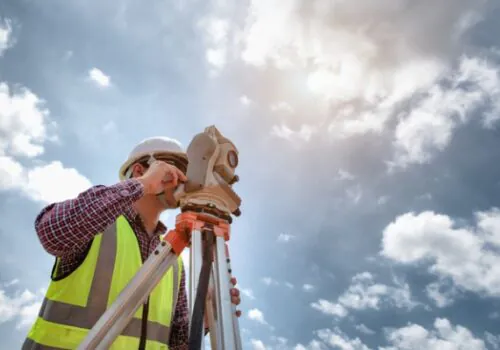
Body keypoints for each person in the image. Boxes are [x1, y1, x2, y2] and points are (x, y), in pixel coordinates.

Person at [22, 137, 242, 350]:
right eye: (177, 168)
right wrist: (143, 185)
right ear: (139, 170)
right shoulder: (98, 225)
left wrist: (205, 318)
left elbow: (176, 345)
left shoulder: (173, 261)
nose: (185, 178)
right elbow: (52, 233)